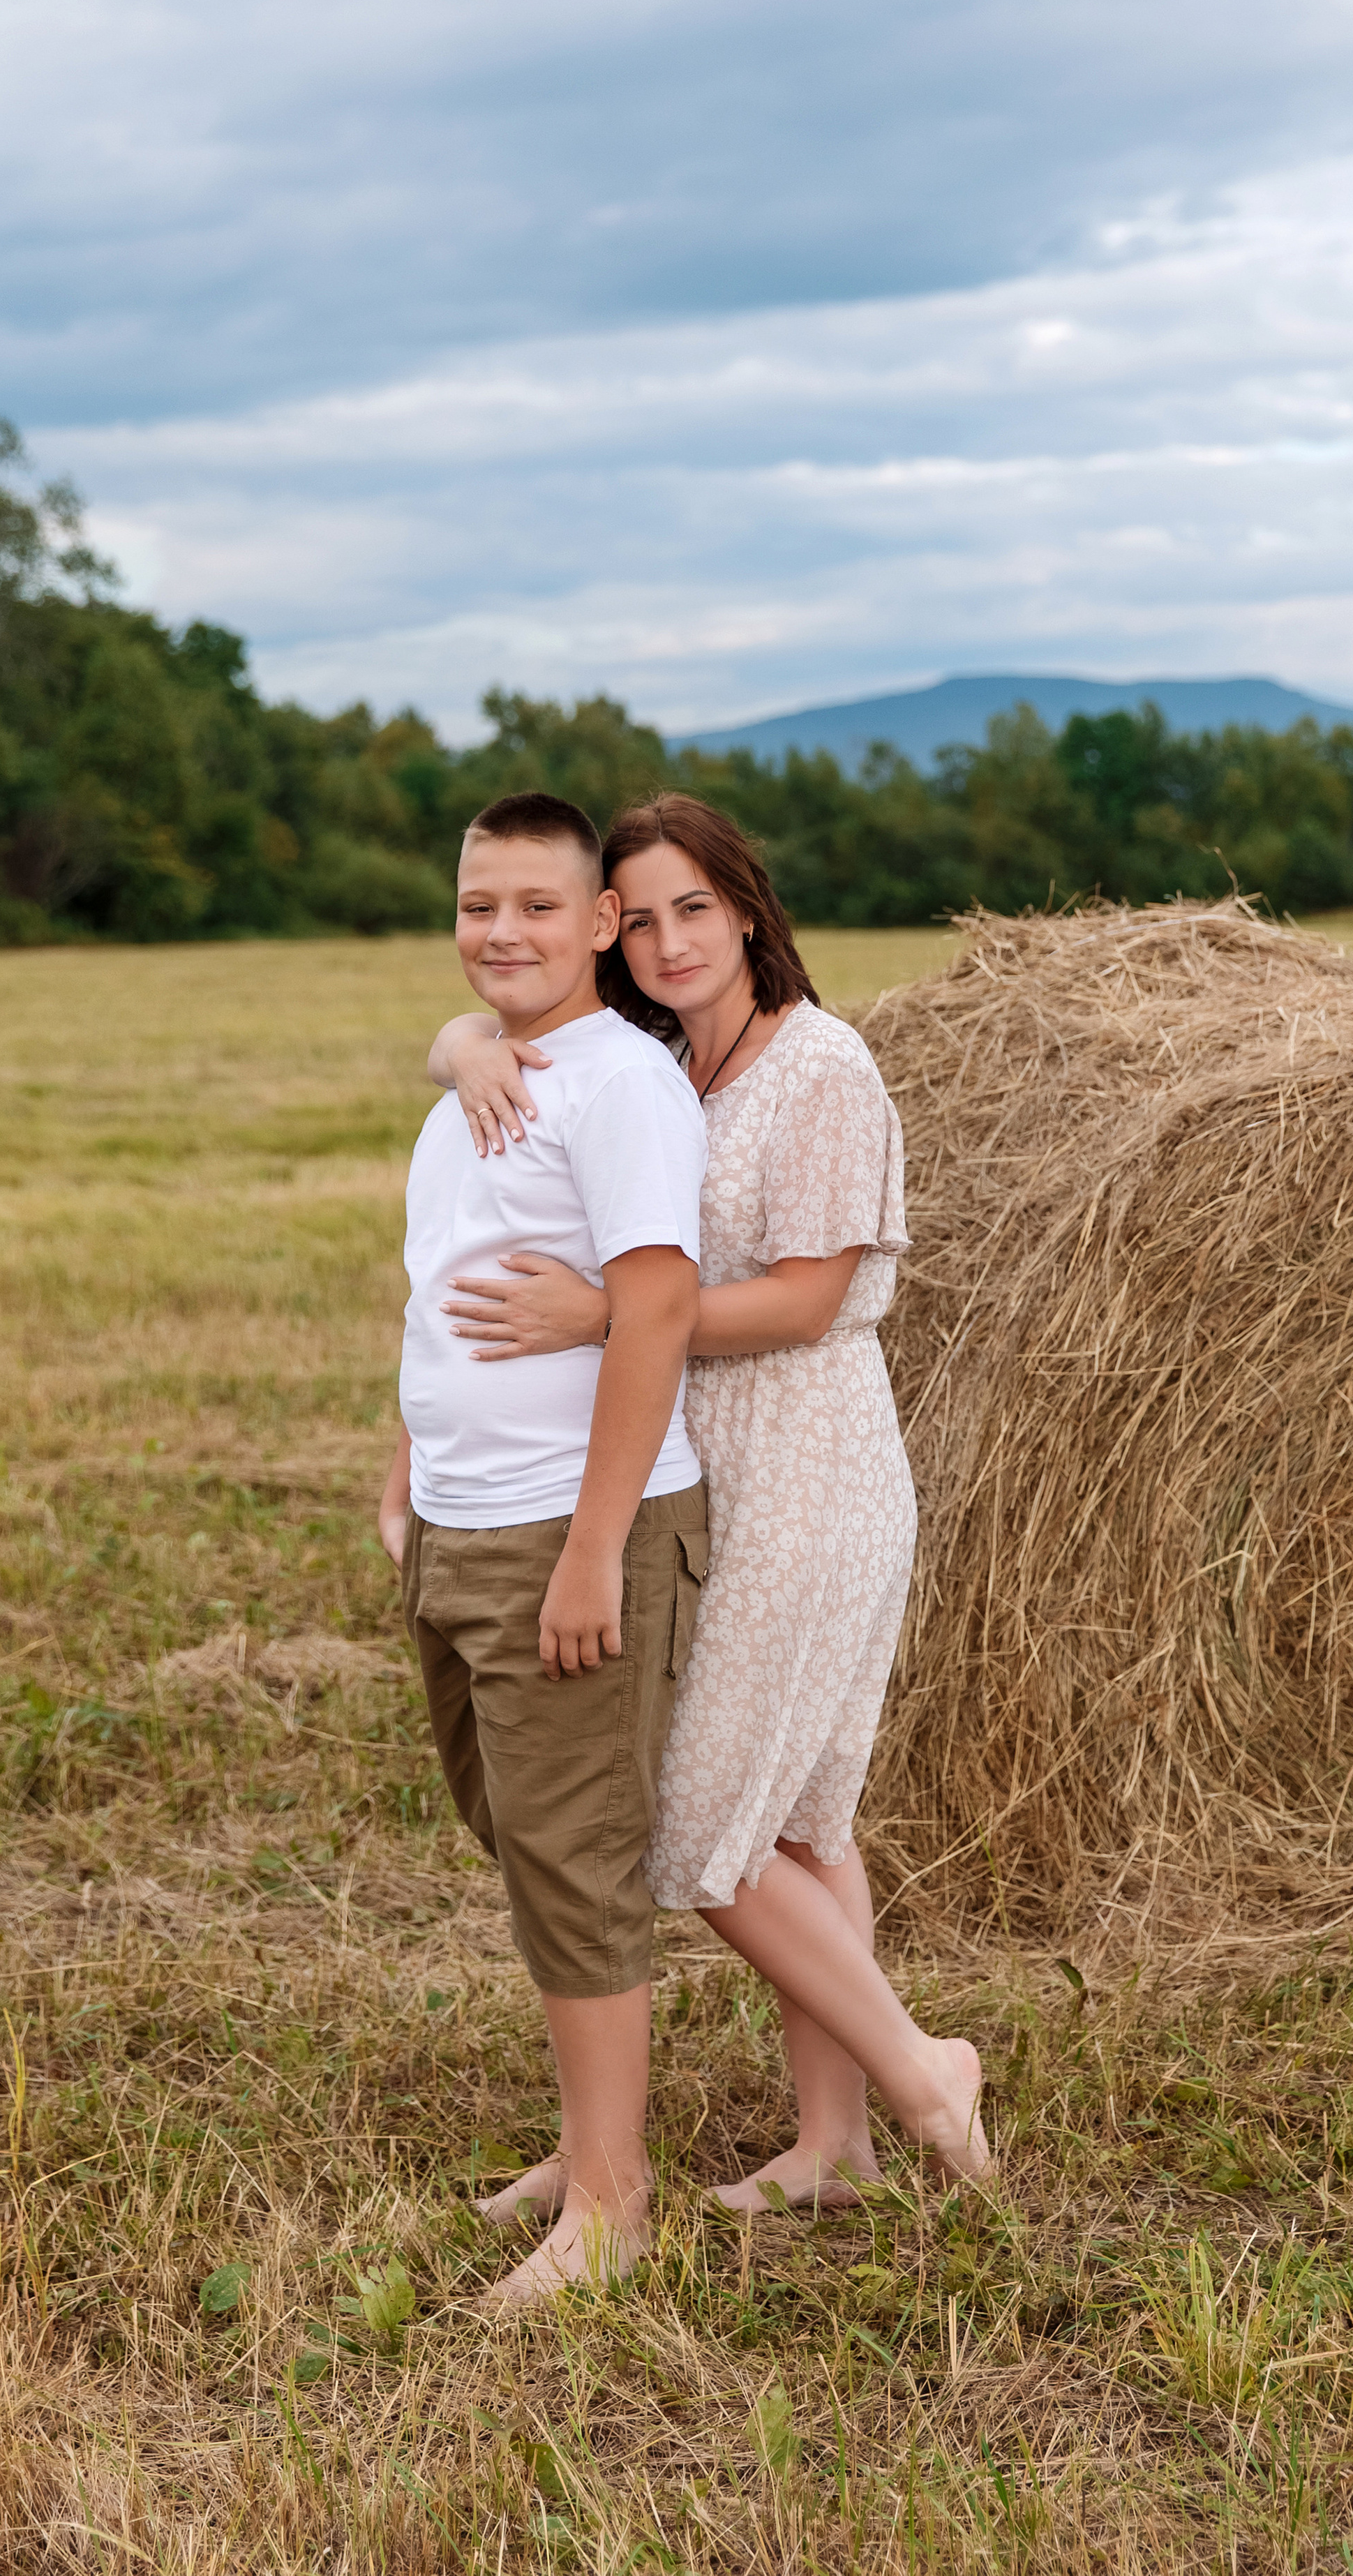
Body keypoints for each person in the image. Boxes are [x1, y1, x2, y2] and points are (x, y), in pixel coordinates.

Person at [428, 792, 989, 2211]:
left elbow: (809, 1298)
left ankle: (925, 2073)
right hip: (696, 1455)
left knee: (694, 1830)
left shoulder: (818, 1069)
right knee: (800, 1823)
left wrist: (602, 1320)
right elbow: (507, 1049)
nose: (672, 939)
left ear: (745, 908)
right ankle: (833, 2144)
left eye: (698, 907)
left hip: (804, 1463)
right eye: (646, 916)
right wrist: (457, 1047)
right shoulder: (668, 1063)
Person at [378, 789, 710, 2305]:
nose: (497, 932)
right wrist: (405, 1476)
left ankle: (614, 2207)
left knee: (574, 1861)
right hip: (460, 1522)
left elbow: (652, 1312)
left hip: (565, 1529)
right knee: (518, 1840)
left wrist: (591, 1550)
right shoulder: (486, 1082)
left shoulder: (621, 1089)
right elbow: (436, 1288)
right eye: (474, 905)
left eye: (532, 906)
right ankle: (584, 2152)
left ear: (597, 926)